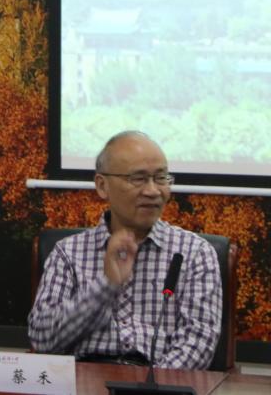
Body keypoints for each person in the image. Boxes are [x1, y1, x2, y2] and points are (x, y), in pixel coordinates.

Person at [28, 131, 221, 369]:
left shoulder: (195, 253)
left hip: (160, 380)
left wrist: (151, 383)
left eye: (161, 178)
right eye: (138, 179)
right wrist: (106, 286)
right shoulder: (68, 253)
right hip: (84, 378)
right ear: (102, 186)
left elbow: (198, 342)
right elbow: (43, 340)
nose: (153, 191)